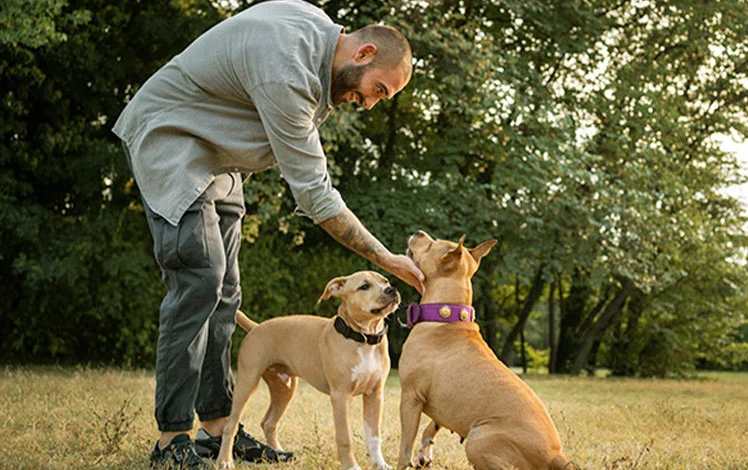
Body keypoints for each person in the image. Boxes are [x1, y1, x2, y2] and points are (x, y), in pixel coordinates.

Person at [112, 0, 424, 468]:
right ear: (362, 53)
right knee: (200, 280)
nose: (369, 102)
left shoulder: (317, 29)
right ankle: (171, 439)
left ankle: (217, 431)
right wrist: (387, 260)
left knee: (226, 292)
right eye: (377, 89)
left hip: (220, 160)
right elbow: (317, 197)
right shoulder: (288, 73)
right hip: (172, 140)